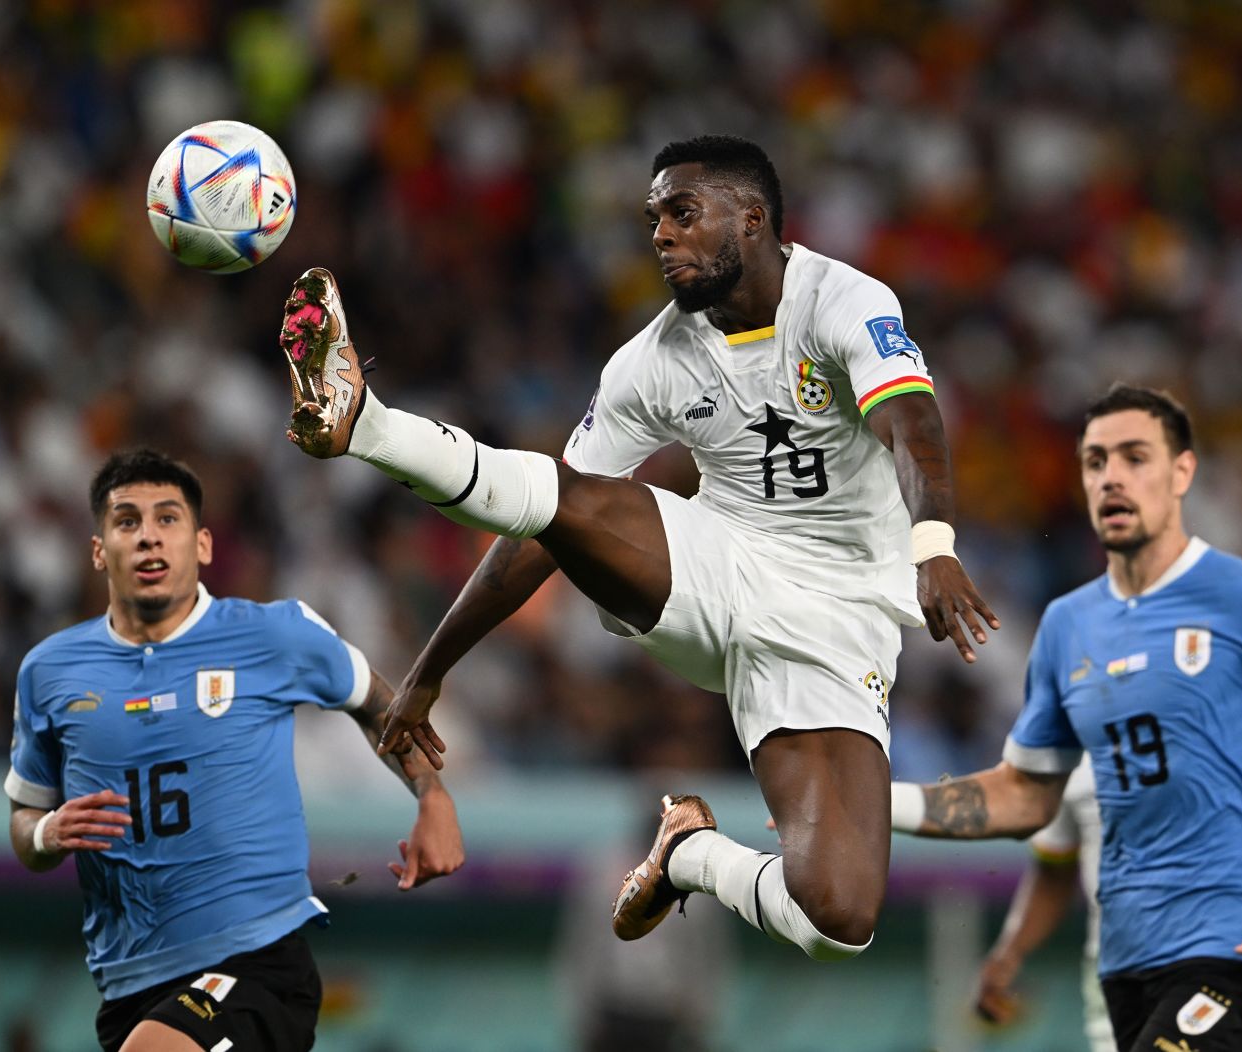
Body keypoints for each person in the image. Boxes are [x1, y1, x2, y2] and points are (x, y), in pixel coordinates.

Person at [276, 134, 998, 962]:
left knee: (839, 920)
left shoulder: (842, 300)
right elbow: (549, 518)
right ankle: (363, 420)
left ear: (751, 219)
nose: (659, 234)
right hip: (716, 563)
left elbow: (910, 422)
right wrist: (433, 668)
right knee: (568, 493)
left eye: (682, 213)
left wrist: (933, 543)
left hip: (838, 622)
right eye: (653, 217)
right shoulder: (651, 362)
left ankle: (686, 853)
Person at [887, 384, 1242, 1052]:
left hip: (1235, 950)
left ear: (1182, 472)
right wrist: (874, 802)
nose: (1112, 477)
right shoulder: (1069, 626)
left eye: (1135, 457)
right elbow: (1024, 794)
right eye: (1096, 462)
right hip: (1124, 967)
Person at [4, 449, 465, 1052]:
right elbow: (24, 820)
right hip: (127, 983)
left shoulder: (272, 634)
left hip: (256, 961)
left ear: (202, 545)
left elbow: (379, 703)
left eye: (167, 519)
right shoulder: (49, 671)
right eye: (127, 522)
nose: (148, 538)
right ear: (98, 550)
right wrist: (46, 834)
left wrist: (434, 798)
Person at [973, 750, 1242, 1051]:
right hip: (1117, 971)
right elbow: (1054, 872)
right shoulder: (1071, 752)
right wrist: (1009, 953)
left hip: (1233, 963)